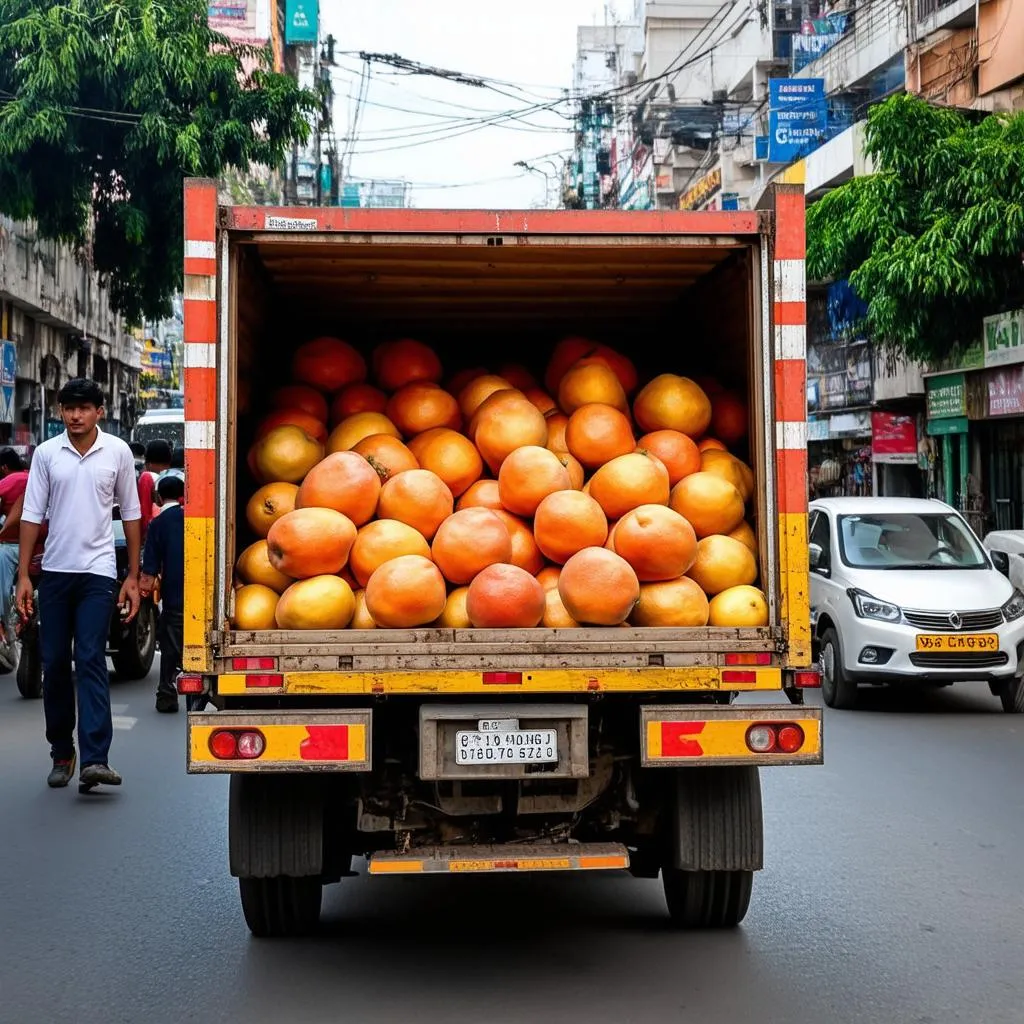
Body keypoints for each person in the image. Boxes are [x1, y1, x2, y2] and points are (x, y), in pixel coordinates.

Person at [17, 378, 142, 792]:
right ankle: (61, 752)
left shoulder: (118, 452)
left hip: (99, 573)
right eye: (69, 408)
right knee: (54, 663)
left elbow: (132, 514)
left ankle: (95, 759)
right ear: (60, 412)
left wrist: (133, 576)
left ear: (99, 412)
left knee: (89, 658)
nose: (75, 415)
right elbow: (32, 514)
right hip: (54, 573)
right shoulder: (48, 454)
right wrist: (22, 575)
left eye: (84, 408)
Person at [140, 474, 184, 713]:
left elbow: (150, 570)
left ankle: (167, 693)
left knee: (170, 648)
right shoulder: (195, 519)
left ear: (157, 498)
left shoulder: (157, 525)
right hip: (205, 600)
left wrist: (141, 596)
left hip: (175, 600)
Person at [0, 447, 28, 630]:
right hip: (45, 547)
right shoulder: (33, 476)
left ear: (3, 467)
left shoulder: (10, 480)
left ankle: (1, 619)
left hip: (13, 546)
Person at [137, 439, 172, 537]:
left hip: (155, 534)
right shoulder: (176, 476)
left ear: (149, 462)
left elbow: (144, 511)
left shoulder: (147, 477)